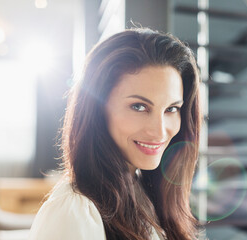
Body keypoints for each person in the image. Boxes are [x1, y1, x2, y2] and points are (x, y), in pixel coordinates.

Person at [28, 28, 201, 240]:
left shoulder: (144, 192)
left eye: (171, 109)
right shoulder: (75, 212)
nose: (159, 130)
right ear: (98, 109)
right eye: (138, 107)